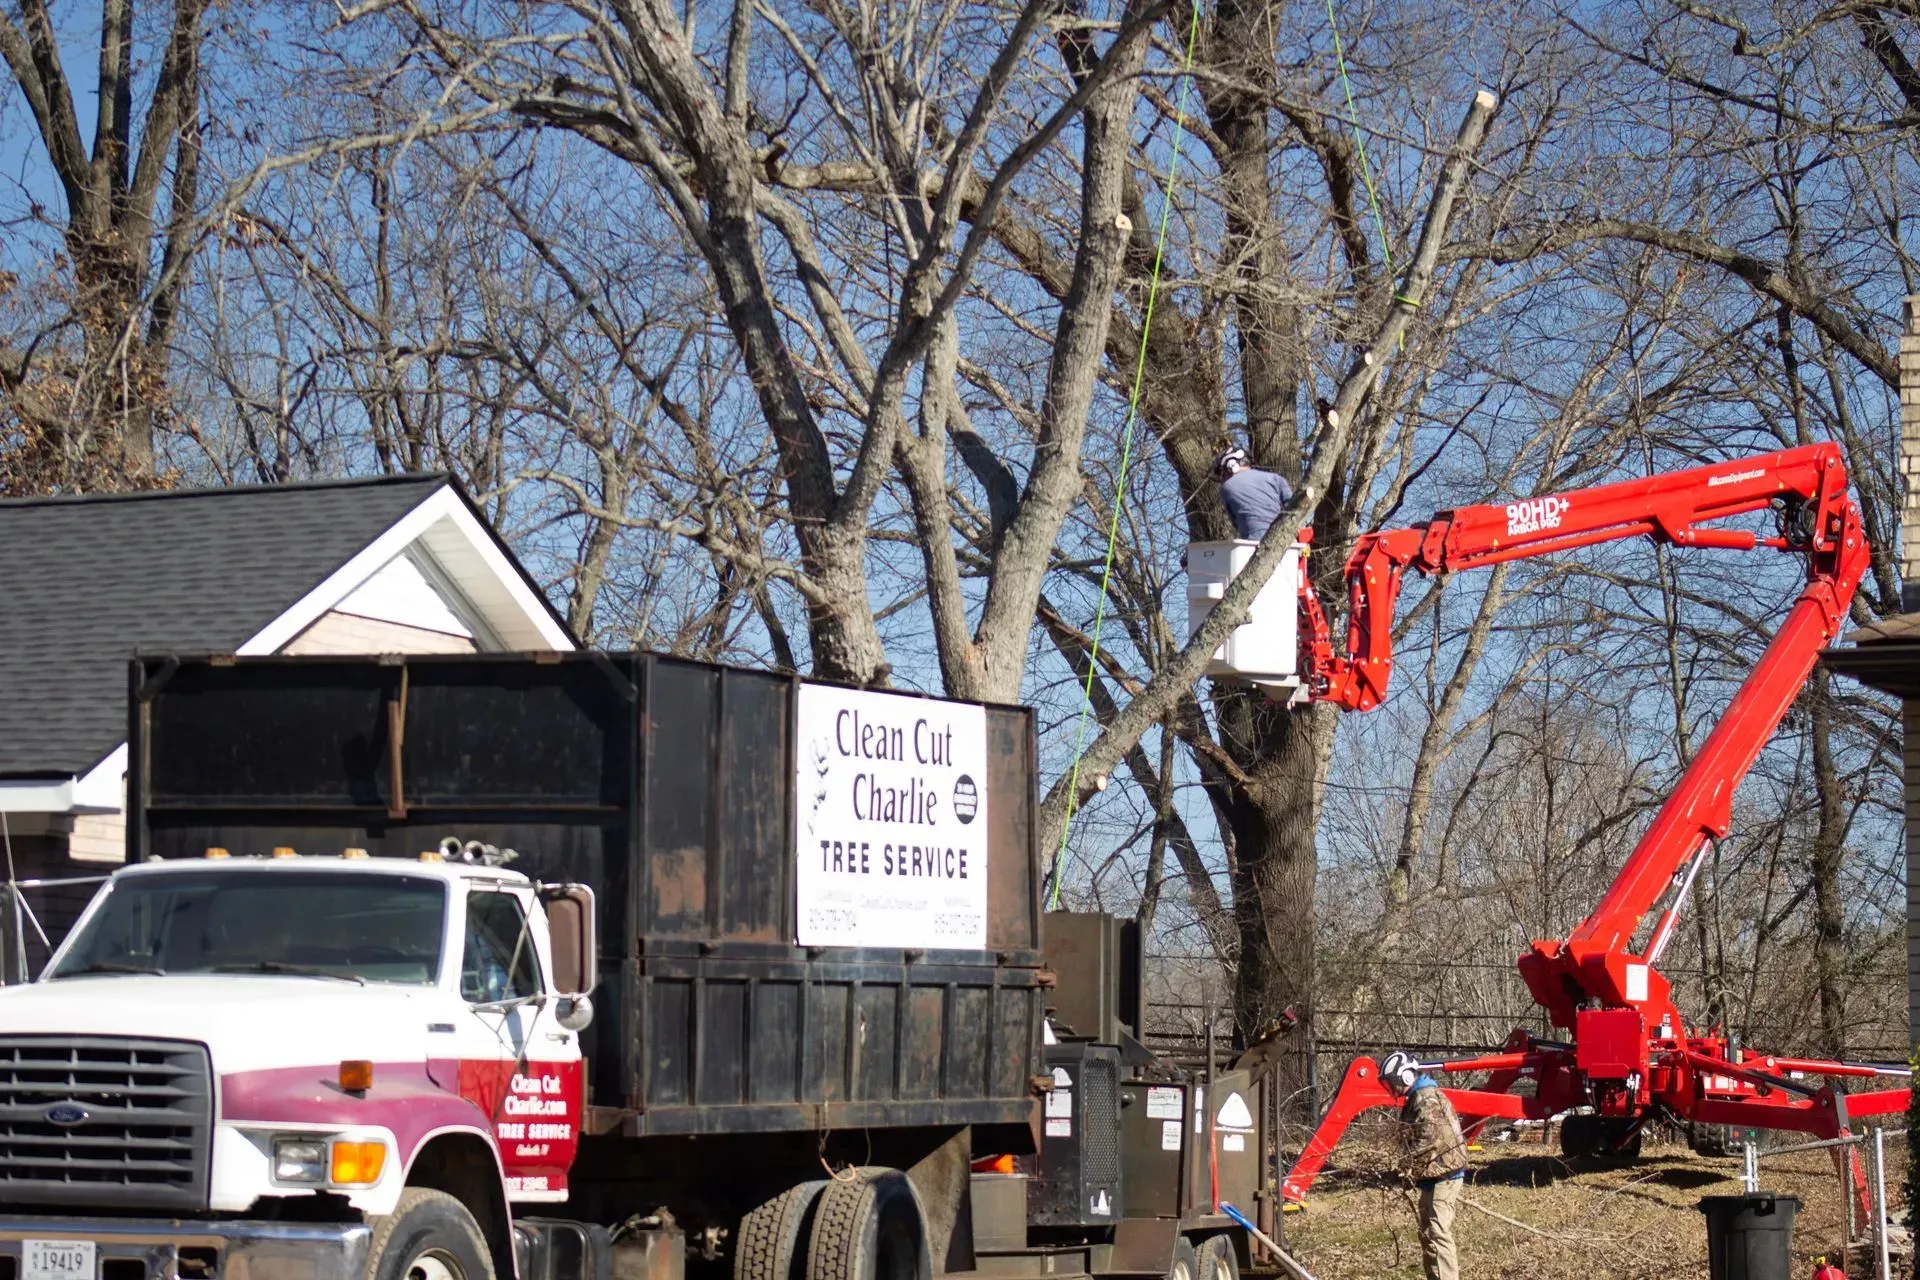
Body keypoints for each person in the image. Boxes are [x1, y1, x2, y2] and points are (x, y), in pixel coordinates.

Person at [1380, 1049, 1467, 1280]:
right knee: (1427, 1233)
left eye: (1392, 1082)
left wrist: (1408, 1173)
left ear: (1405, 1076)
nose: (1392, 1089)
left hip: (1444, 1174)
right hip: (1433, 1175)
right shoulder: (1418, 1097)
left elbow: (1426, 1143)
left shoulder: (1426, 1098)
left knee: (1437, 1233)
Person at [1214, 446, 1294, 540]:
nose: (1224, 478)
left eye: (1223, 472)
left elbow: (1235, 522)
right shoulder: (1275, 478)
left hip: (1252, 543)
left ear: (1231, 465)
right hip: (1285, 540)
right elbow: (1294, 506)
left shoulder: (1226, 488)